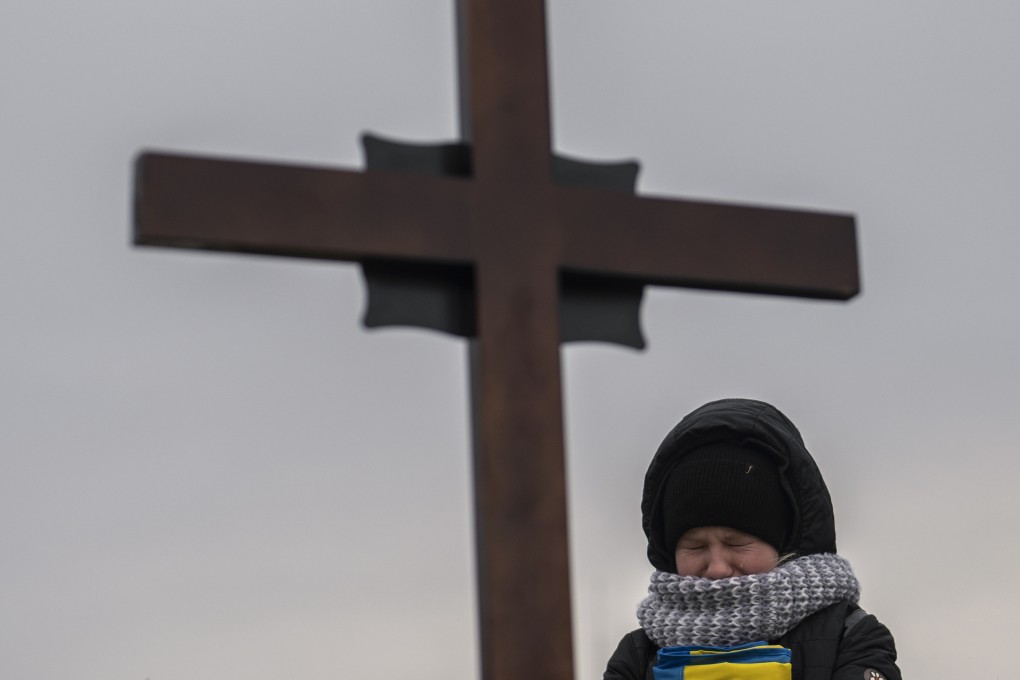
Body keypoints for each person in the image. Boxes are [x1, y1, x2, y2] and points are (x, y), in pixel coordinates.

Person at [603, 398, 901, 680]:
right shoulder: (637, 656)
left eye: (736, 543)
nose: (717, 568)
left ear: (784, 544)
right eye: (696, 546)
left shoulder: (852, 637)